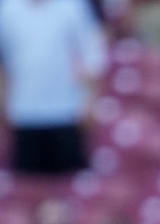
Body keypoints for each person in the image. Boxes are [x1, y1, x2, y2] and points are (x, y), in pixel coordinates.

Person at [0, 0, 107, 175]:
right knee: (27, 186)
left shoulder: (72, 6)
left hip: (67, 111)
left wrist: (90, 100)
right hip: (23, 112)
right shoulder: (7, 9)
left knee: (71, 182)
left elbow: (92, 54)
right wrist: (4, 104)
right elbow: (3, 62)